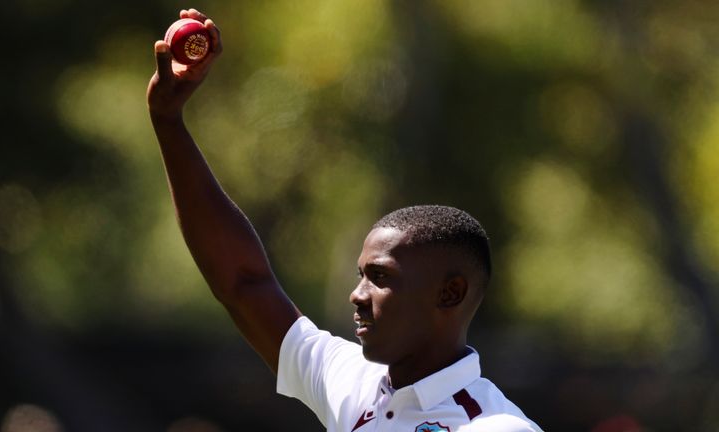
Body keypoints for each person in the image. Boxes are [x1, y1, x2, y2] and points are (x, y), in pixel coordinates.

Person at [147, 9, 543, 432]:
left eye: (380, 277)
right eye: (360, 275)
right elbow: (245, 283)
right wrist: (168, 123)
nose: (357, 295)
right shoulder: (355, 382)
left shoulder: (495, 427)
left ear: (450, 293)